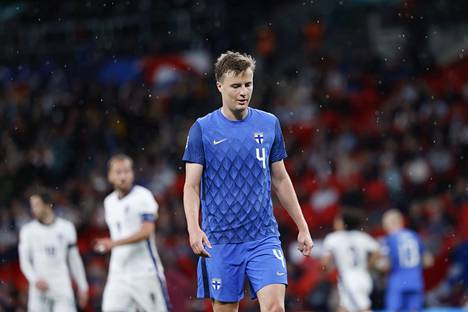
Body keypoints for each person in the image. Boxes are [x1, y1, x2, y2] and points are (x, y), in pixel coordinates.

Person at [182, 51, 313, 312]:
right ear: (219, 86)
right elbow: (192, 186)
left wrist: (302, 225)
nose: (243, 92)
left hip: (263, 237)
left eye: (248, 84)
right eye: (236, 86)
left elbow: (280, 179)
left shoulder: (269, 124)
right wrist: (193, 228)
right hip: (219, 240)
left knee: (275, 308)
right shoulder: (202, 129)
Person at [94, 154, 171, 312]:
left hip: (144, 272)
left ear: (132, 174)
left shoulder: (143, 196)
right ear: (110, 176)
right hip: (118, 274)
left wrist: (113, 244)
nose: (123, 176)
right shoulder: (109, 202)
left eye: (126, 171)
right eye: (118, 172)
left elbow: (146, 231)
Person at [18, 190, 89, 312]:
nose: (33, 209)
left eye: (37, 205)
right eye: (32, 206)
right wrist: (35, 280)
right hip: (39, 287)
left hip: (61, 285)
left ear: (48, 204)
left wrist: (83, 285)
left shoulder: (67, 228)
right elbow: (24, 260)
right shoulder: (27, 231)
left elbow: (74, 259)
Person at [321, 210, 380, 312]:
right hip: (363, 275)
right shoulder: (362, 236)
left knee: (364, 308)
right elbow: (376, 251)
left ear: (343, 223)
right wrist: (368, 266)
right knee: (344, 308)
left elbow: (325, 262)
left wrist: (327, 269)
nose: (335, 222)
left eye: (337, 220)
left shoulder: (333, 238)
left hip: (348, 277)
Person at [381, 209, 433, 312]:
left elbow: (385, 265)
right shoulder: (415, 236)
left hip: (397, 281)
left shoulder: (389, 239)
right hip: (416, 280)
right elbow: (428, 261)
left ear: (391, 223)